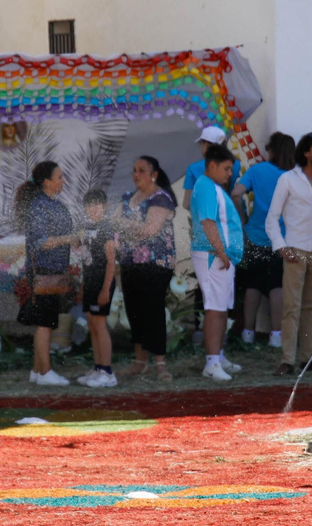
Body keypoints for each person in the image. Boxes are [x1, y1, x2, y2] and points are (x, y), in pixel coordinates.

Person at [265, 131, 312, 375]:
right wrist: (281, 246)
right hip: (295, 249)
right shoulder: (288, 179)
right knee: (291, 306)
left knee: (311, 306)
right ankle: (287, 359)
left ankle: (309, 356)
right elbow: (272, 218)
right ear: (306, 153)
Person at [16, 161, 79, 386]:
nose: (63, 181)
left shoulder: (54, 204)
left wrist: (75, 240)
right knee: (45, 324)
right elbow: (40, 242)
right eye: (60, 177)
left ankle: (36, 371)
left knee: (46, 322)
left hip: (54, 269)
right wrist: (68, 239)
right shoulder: (39, 206)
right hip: (44, 270)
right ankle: (45, 373)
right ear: (47, 182)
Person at [117, 155, 178, 381]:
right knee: (134, 310)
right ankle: (139, 363)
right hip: (130, 262)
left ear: (154, 175)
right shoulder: (126, 198)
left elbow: (150, 230)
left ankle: (161, 365)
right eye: (134, 170)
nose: (136, 174)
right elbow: (112, 226)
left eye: (142, 170)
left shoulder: (160, 198)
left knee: (152, 310)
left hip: (156, 263)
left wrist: (123, 226)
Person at [232, 132, 294, 349]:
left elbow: (236, 193)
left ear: (273, 150)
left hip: (255, 234)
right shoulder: (294, 174)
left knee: (253, 284)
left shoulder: (257, 170)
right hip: (283, 238)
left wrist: (243, 219)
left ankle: (247, 333)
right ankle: (276, 336)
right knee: (277, 286)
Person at [191, 143, 246, 381]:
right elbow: (208, 222)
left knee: (222, 308)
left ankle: (219, 356)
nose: (229, 174)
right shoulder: (205, 187)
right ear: (211, 166)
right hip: (213, 256)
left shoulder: (213, 186)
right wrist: (221, 252)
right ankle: (211, 363)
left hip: (221, 257)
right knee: (214, 308)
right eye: (225, 169)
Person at [76, 189, 120, 388]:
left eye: (97, 205)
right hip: (91, 282)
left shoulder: (106, 228)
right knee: (92, 324)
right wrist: (85, 285)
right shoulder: (87, 228)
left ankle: (108, 372)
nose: (92, 208)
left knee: (100, 325)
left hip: (103, 284)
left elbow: (111, 262)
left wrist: (105, 289)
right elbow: (87, 259)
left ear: (105, 207)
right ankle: (98, 368)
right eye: (89, 205)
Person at [179, 126, 241, 214]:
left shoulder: (193, 169)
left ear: (206, 144)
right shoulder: (236, 164)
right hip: (234, 216)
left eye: (201, 144)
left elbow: (187, 204)